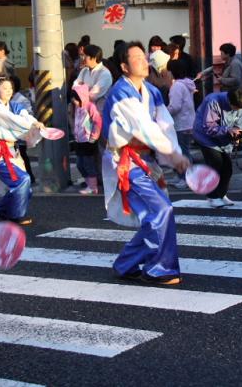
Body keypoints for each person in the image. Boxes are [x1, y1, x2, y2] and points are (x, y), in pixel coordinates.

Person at [101, 41, 190, 285]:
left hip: (146, 161)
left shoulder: (152, 91)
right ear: (124, 66)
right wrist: (173, 155)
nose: (144, 61)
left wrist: (174, 153)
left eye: (144, 56)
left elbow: (165, 126)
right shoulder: (121, 92)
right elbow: (143, 127)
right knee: (161, 211)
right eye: (137, 58)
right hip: (126, 161)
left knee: (157, 214)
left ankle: (126, 263)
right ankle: (158, 268)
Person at [0, 76, 44, 226]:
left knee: (25, 188)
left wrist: (35, 122)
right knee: (22, 181)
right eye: (4, 88)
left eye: (10, 88)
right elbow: (13, 120)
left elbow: (24, 115)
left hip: (11, 149)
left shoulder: (14, 105)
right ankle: (16, 215)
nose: (9, 91)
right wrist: (32, 125)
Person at [193, 88, 242, 207]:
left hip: (224, 137)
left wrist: (238, 133)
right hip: (206, 137)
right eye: (235, 108)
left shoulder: (240, 103)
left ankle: (221, 194)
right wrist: (227, 130)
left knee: (227, 167)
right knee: (216, 164)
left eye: (240, 108)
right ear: (229, 101)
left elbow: (241, 122)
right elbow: (208, 126)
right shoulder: (213, 101)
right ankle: (212, 197)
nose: (237, 111)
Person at [166, 59, 196, 189]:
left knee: (183, 153)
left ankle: (186, 179)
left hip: (181, 124)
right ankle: (182, 176)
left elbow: (175, 106)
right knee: (184, 151)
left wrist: (162, 112)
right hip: (188, 122)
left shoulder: (177, 86)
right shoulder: (187, 84)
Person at [72, 83, 102, 194]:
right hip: (79, 141)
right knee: (80, 164)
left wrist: (94, 136)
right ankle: (89, 184)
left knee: (88, 164)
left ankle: (93, 187)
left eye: (76, 98)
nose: (74, 101)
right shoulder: (78, 108)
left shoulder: (90, 106)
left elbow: (97, 121)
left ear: (82, 96)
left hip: (89, 141)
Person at [9, 75, 36, 185]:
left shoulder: (21, 100)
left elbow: (29, 114)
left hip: (20, 133)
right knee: (16, 156)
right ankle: (23, 177)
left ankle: (29, 177)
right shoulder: (8, 99)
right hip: (11, 133)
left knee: (21, 155)